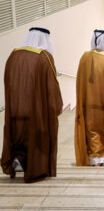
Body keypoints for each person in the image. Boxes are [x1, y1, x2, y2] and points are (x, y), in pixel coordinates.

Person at [1, 27, 63, 183]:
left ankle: (18, 161)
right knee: (38, 140)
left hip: (15, 110)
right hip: (37, 112)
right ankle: (36, 169)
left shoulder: (13, 56)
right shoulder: (44, 57)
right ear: (44, 39)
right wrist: (56, 106)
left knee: (19, 138)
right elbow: (51, 87)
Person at [74, 29, 104, 167]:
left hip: (87, 105)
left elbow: (79, 81)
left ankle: (95, 159)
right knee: (103, 130)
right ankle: (99, 159)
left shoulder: (84, 57)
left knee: (90, 131)